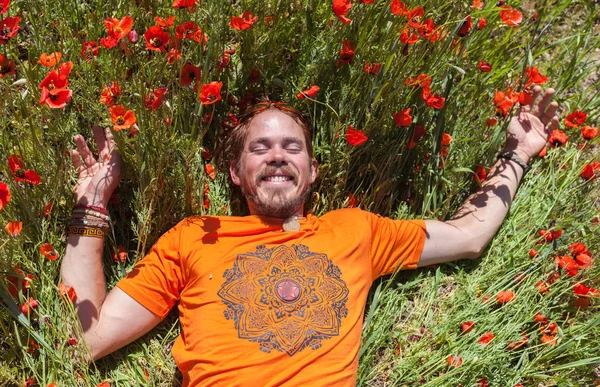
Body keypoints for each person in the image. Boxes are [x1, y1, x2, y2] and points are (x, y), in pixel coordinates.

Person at [61, 87, 559, 386]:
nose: (277, 155)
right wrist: (92, 206)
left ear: (312, 169)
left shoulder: (354, 229)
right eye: (261, 147)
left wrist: (517, 154)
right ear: (236, 172)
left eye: (291, 146)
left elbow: (468, 235)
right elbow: (88, 339)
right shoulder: (195, 236)